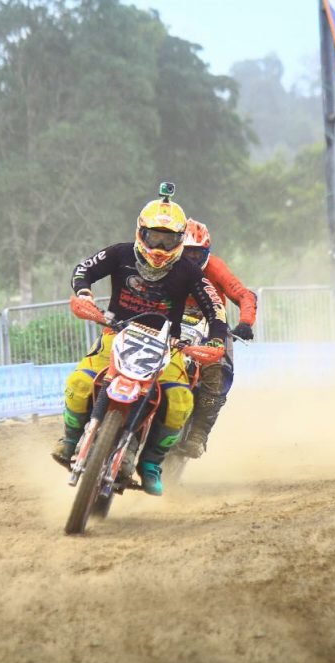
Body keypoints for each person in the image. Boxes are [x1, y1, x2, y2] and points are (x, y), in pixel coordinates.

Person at [50, 184, 229, 496]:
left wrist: (215, 341)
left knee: (180, 401)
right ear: (140, 232)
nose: (159, 246)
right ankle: (70, 439)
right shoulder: (119, 253)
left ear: (180, 240)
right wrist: (84, 293)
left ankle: (151, 464)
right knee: (79, 382)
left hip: (167, 346)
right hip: (116, 333)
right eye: (154, 237)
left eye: (168, 239)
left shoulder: (188, 271)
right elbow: (84, 269)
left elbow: (215, 307)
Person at [174, 219, 258, 459]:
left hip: (213, 326)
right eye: (186, 253)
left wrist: (245, 322)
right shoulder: (164, 265)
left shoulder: (215, 267)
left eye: (197, 254)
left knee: (219, 374)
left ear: (207, 252)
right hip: (172, 322)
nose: (192, 259)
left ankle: (198, 434)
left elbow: (244, 294)